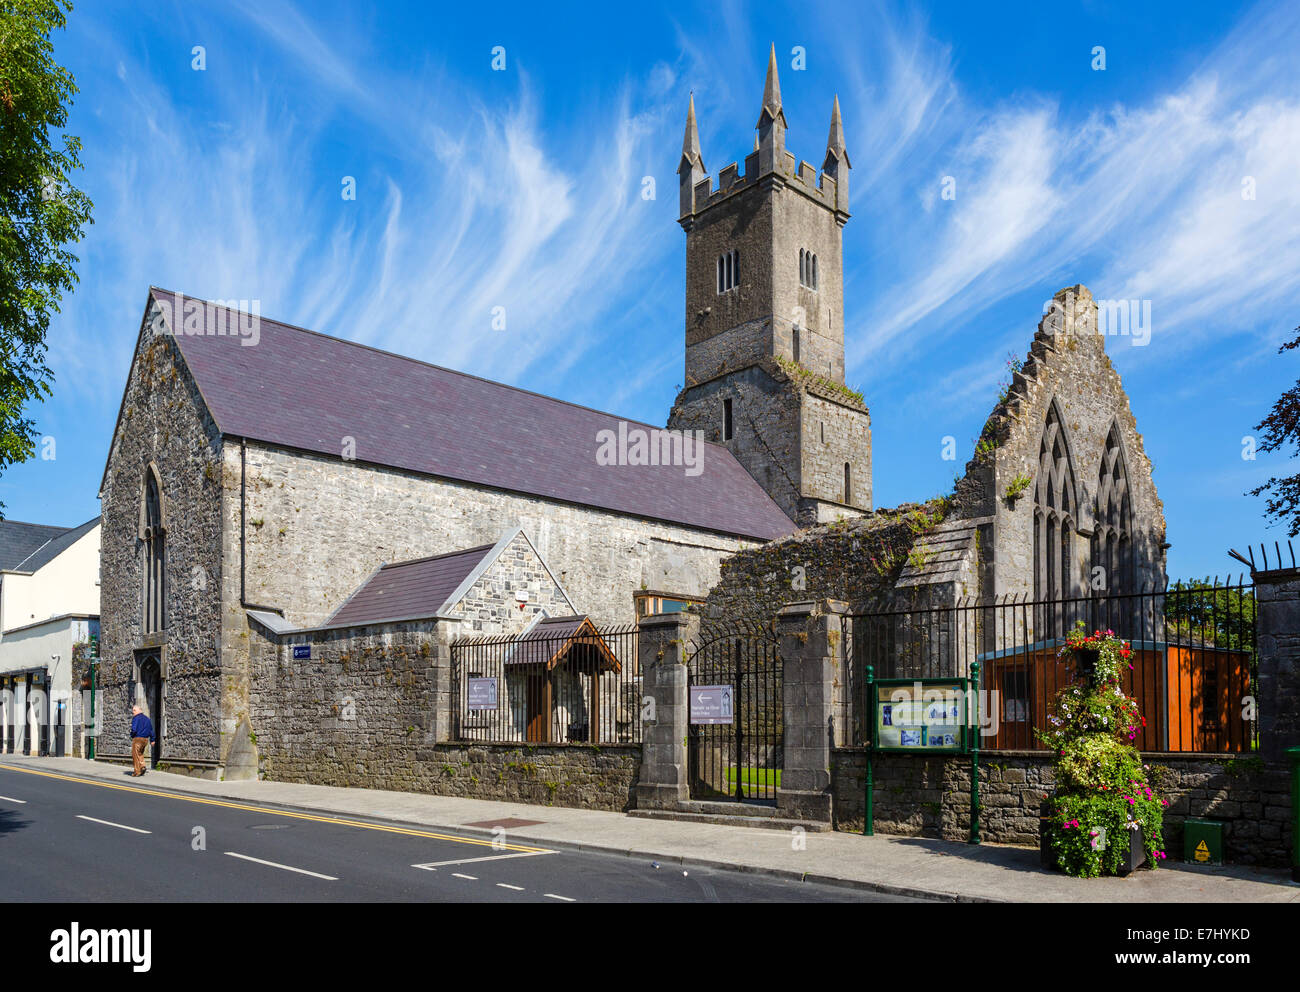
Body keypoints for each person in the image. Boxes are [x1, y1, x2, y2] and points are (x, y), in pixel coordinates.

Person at [130, 705, 154, 777]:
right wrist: (152, 740)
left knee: (135, 755)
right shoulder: (147, 719)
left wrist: (132, 735)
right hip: (145, 739)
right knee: (140, 753)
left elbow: (134, 729)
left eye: (134, 710)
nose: (133, 712)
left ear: (139, 710)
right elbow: (151, 730)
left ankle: (137, 772)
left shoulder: (136, 718)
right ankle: (142, 766)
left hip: (137, 738)